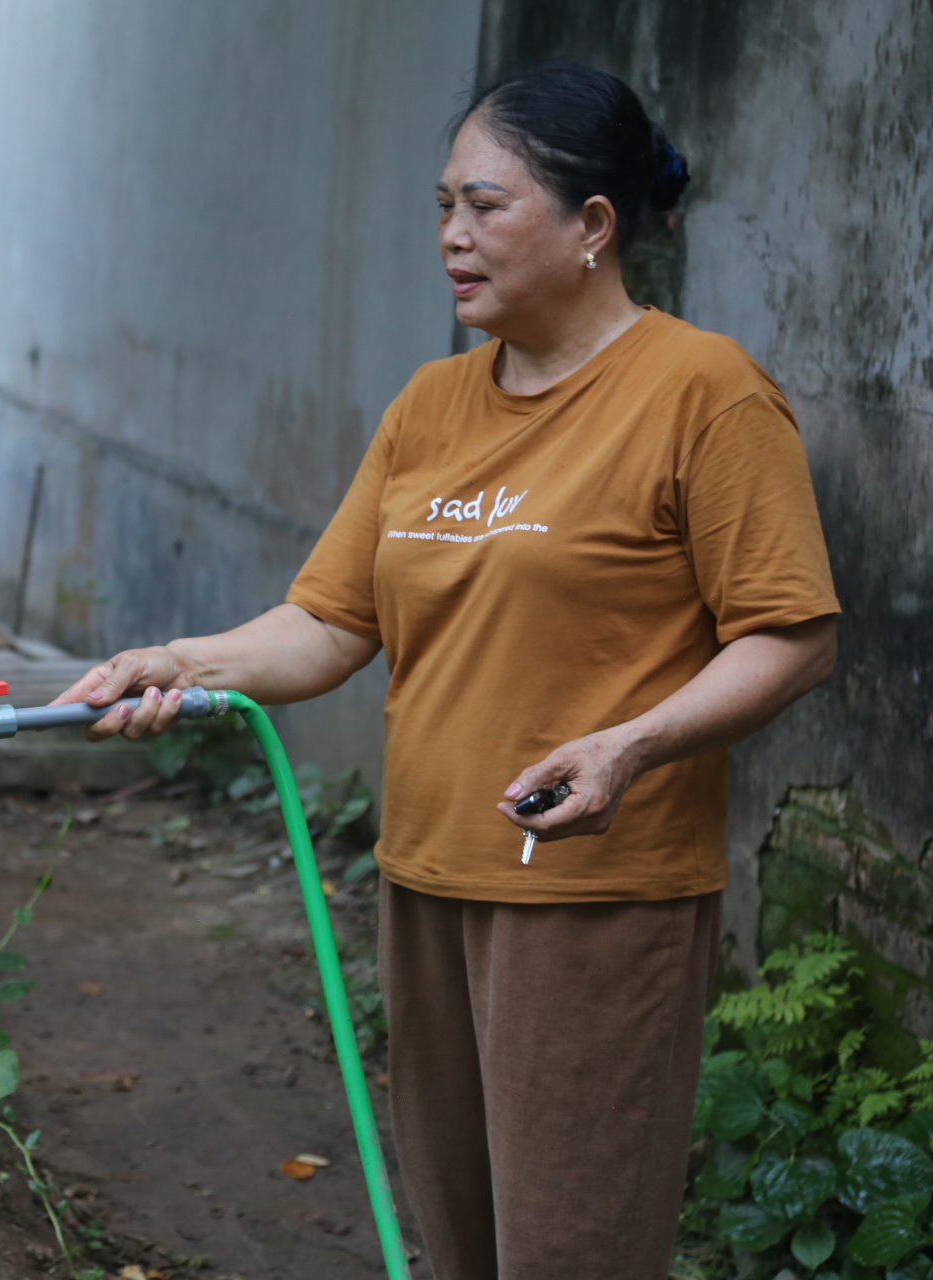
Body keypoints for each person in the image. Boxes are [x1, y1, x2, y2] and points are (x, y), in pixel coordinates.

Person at [54, 60, 839, 1280]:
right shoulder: (429, 406)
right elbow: (328, 622)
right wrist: (178, 659)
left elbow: (793, 634)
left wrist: (631, 744)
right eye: (440, 208)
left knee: (569, 1247)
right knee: (460, 1246)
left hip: (591, 897)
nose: (450, 238)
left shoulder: (703, 393)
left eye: (484, 206)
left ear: (593, 227)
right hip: (424, 878)